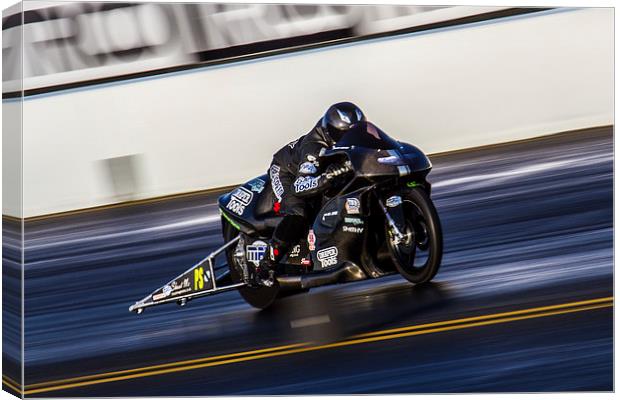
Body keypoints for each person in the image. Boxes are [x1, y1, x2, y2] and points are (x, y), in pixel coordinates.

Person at [256, 101, 365, 285]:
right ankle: (266, 266)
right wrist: (327, 178)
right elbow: (300, 186)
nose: (349, 137)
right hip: (287, 172)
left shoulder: (355, 140)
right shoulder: (314, 147)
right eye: (343, 134)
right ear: (331, 131)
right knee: (299, 210)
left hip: (315, 172)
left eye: (354, 132)